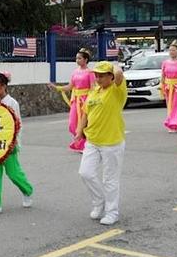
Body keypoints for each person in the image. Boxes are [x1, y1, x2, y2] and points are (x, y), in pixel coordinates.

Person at [75, 61, 127, 226]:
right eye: (96, 75)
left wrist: (114, 66)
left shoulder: (116, 90)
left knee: (110, 180)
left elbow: (119, 74)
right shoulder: (94, 91)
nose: (98, 78)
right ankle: (99, 202)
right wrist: (79, 131)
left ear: (110, 76)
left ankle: (112, 212)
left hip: (111, 142)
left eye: (102, 75)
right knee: (85, 172)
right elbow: (85, 113)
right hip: (92, 140)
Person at [0, 71, 34, 216]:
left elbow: (18, 124)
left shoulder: (12, 103)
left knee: (13, 173)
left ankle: (27, 190)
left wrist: (14, 142)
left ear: (3, 86)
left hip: (9, 145)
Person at [50, 48, 96, 152]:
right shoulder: (75, 72)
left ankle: (85, 144)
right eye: (76, 58)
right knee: (72, 123)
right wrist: (57, 88)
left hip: (85, 100)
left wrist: (90, 100)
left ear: (85, 60)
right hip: (76, 100)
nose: (77, 60)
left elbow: (92, 88)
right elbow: (70, 86)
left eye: (79, 58)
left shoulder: (90, 72)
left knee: (85, 123)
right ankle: (80, 142)